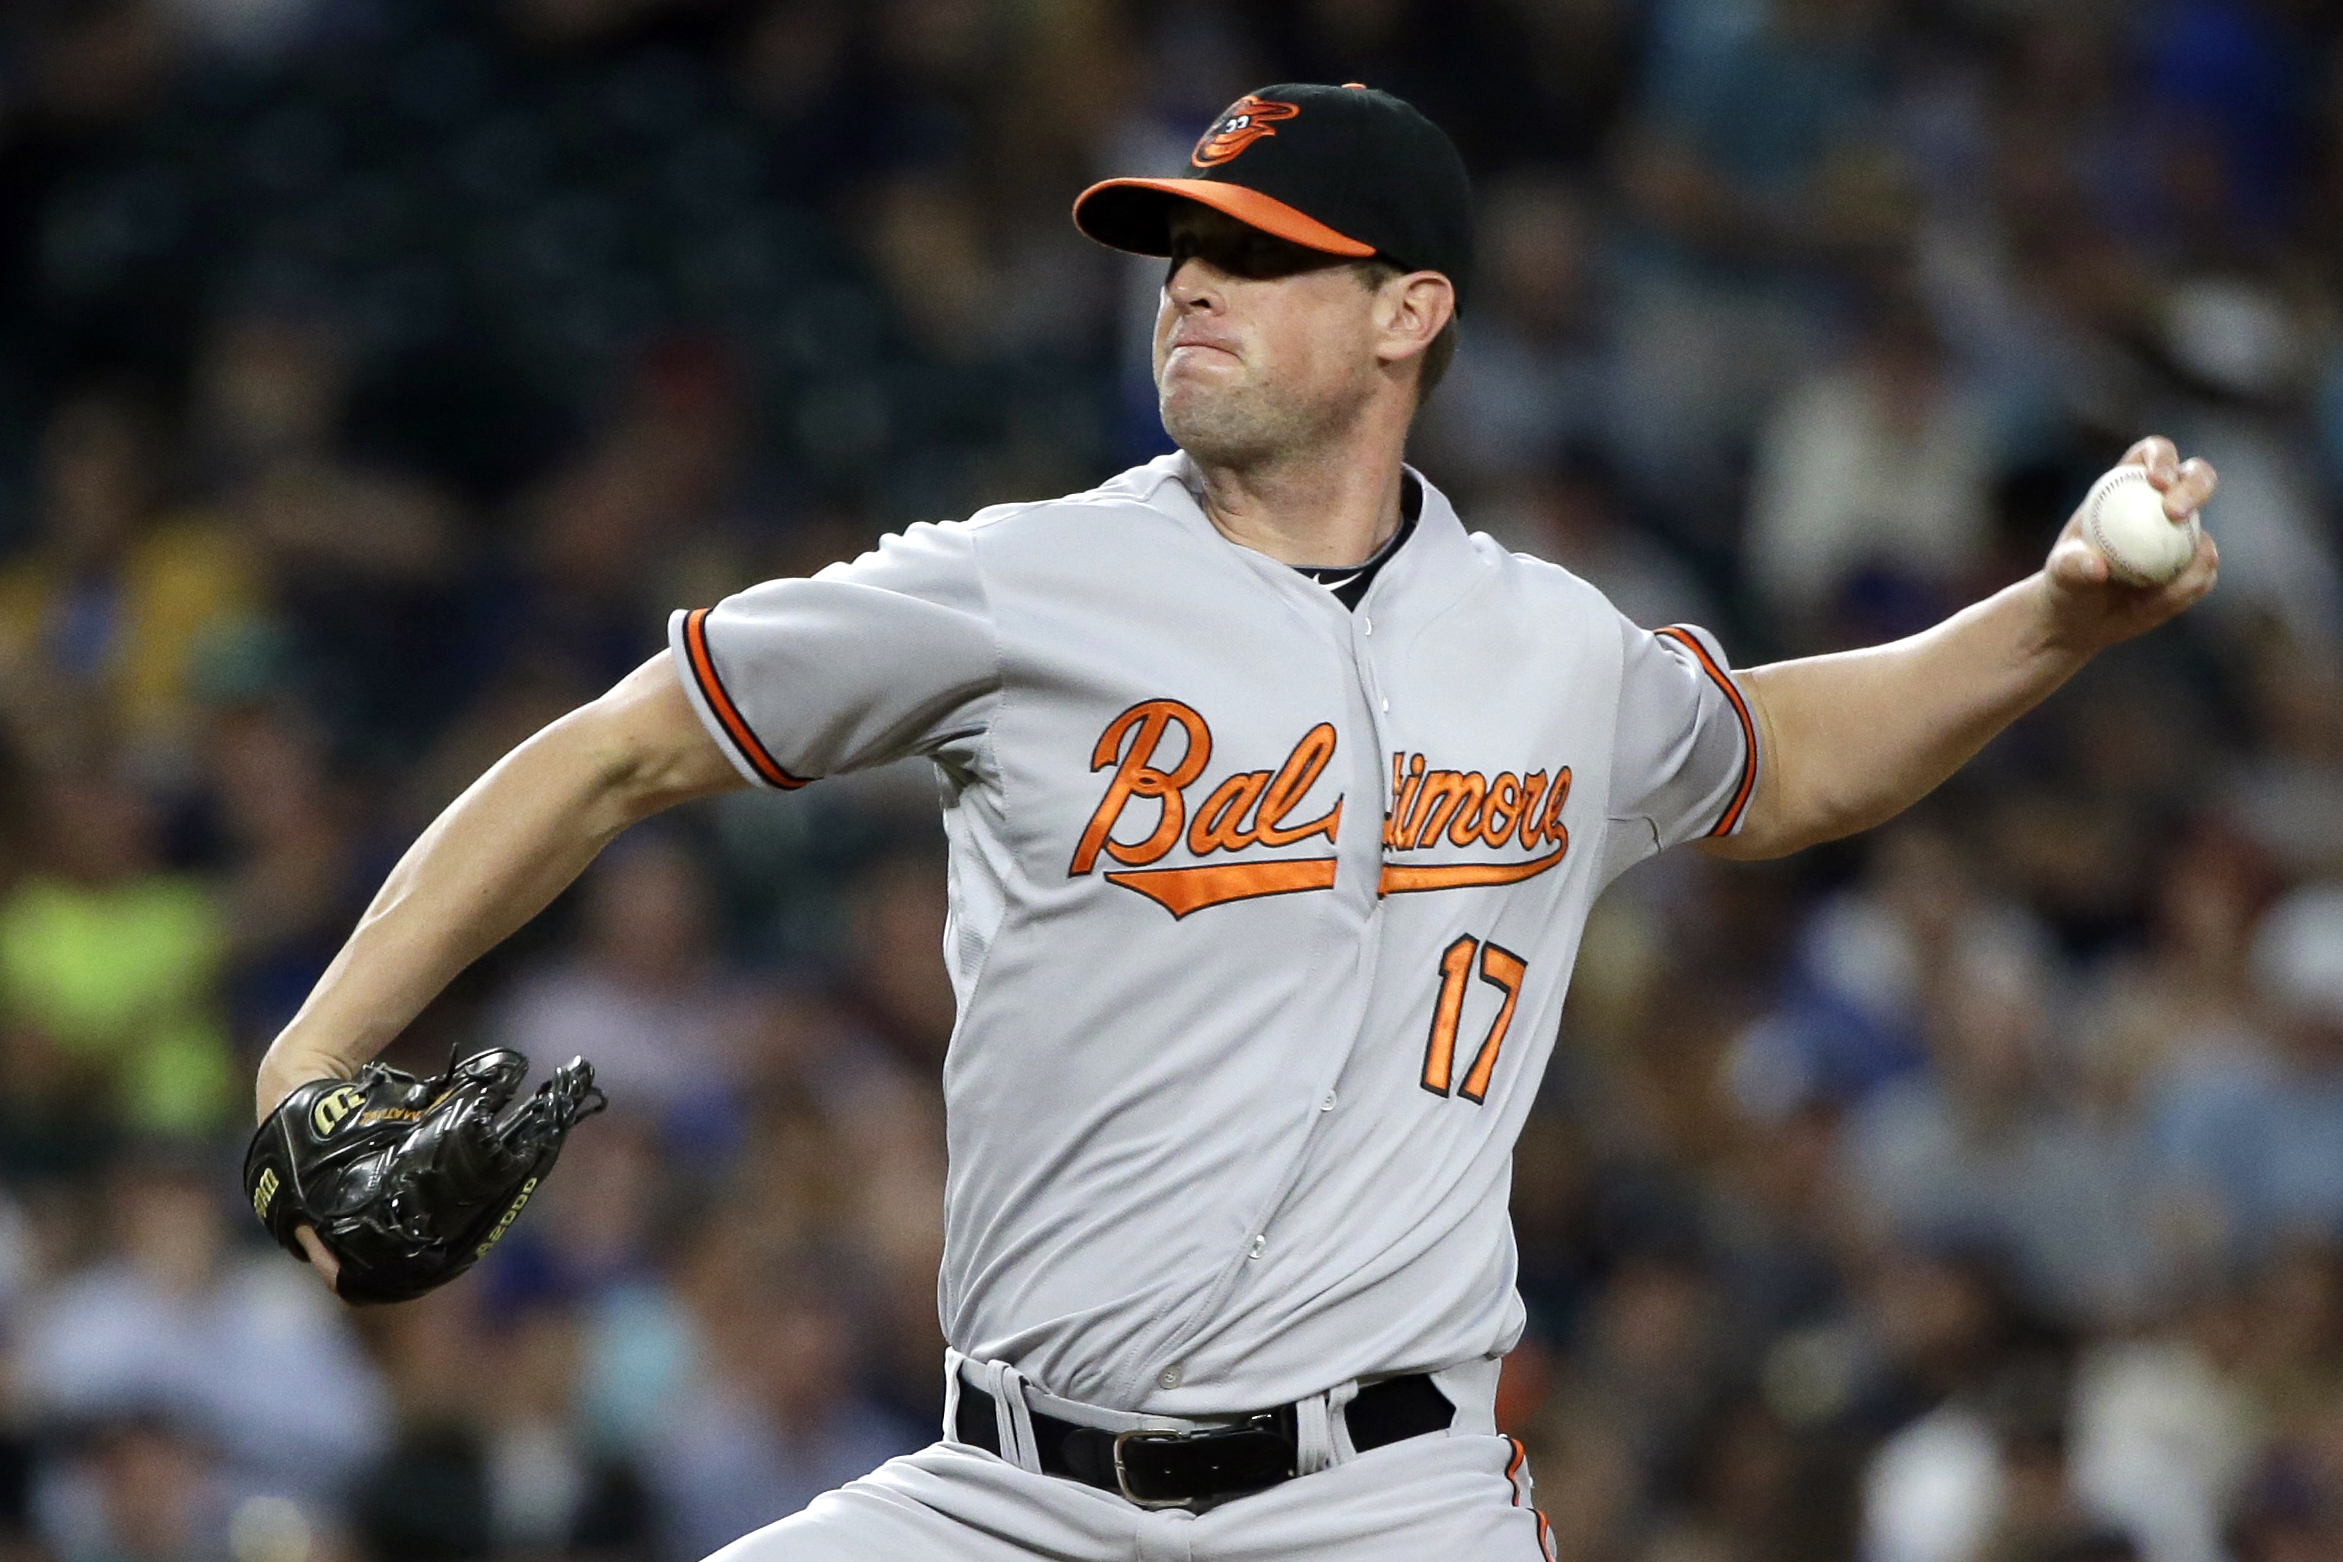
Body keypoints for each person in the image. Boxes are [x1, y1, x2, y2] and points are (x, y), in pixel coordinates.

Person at [253, 84, 2218, 1560]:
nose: (1190, 281)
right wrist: (317, 1052)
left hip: (1388, 1502)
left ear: (1404, 313)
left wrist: (2048, 622)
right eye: (1182, 246)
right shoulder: (1011, 584)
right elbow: (610, 747)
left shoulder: (1545, 642)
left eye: (1258, 251)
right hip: (1000, 1491)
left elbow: (1783, 756)